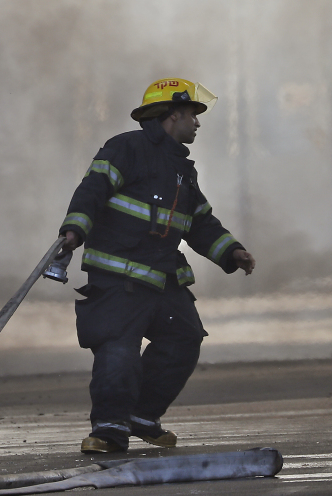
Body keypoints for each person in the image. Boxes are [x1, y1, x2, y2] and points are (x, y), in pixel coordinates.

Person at [57, 78, 256, 454]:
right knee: (119, 350)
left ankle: (142, 416)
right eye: (193, 116)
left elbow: (199, 222)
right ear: (173, 114)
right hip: (117, 278)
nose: (198, 124)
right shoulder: (125, 148)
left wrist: (231, 252)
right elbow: (92, 191)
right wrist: (74, 229)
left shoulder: (182, 169)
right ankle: (109, 430)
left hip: (161, 278)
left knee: (184, 339)